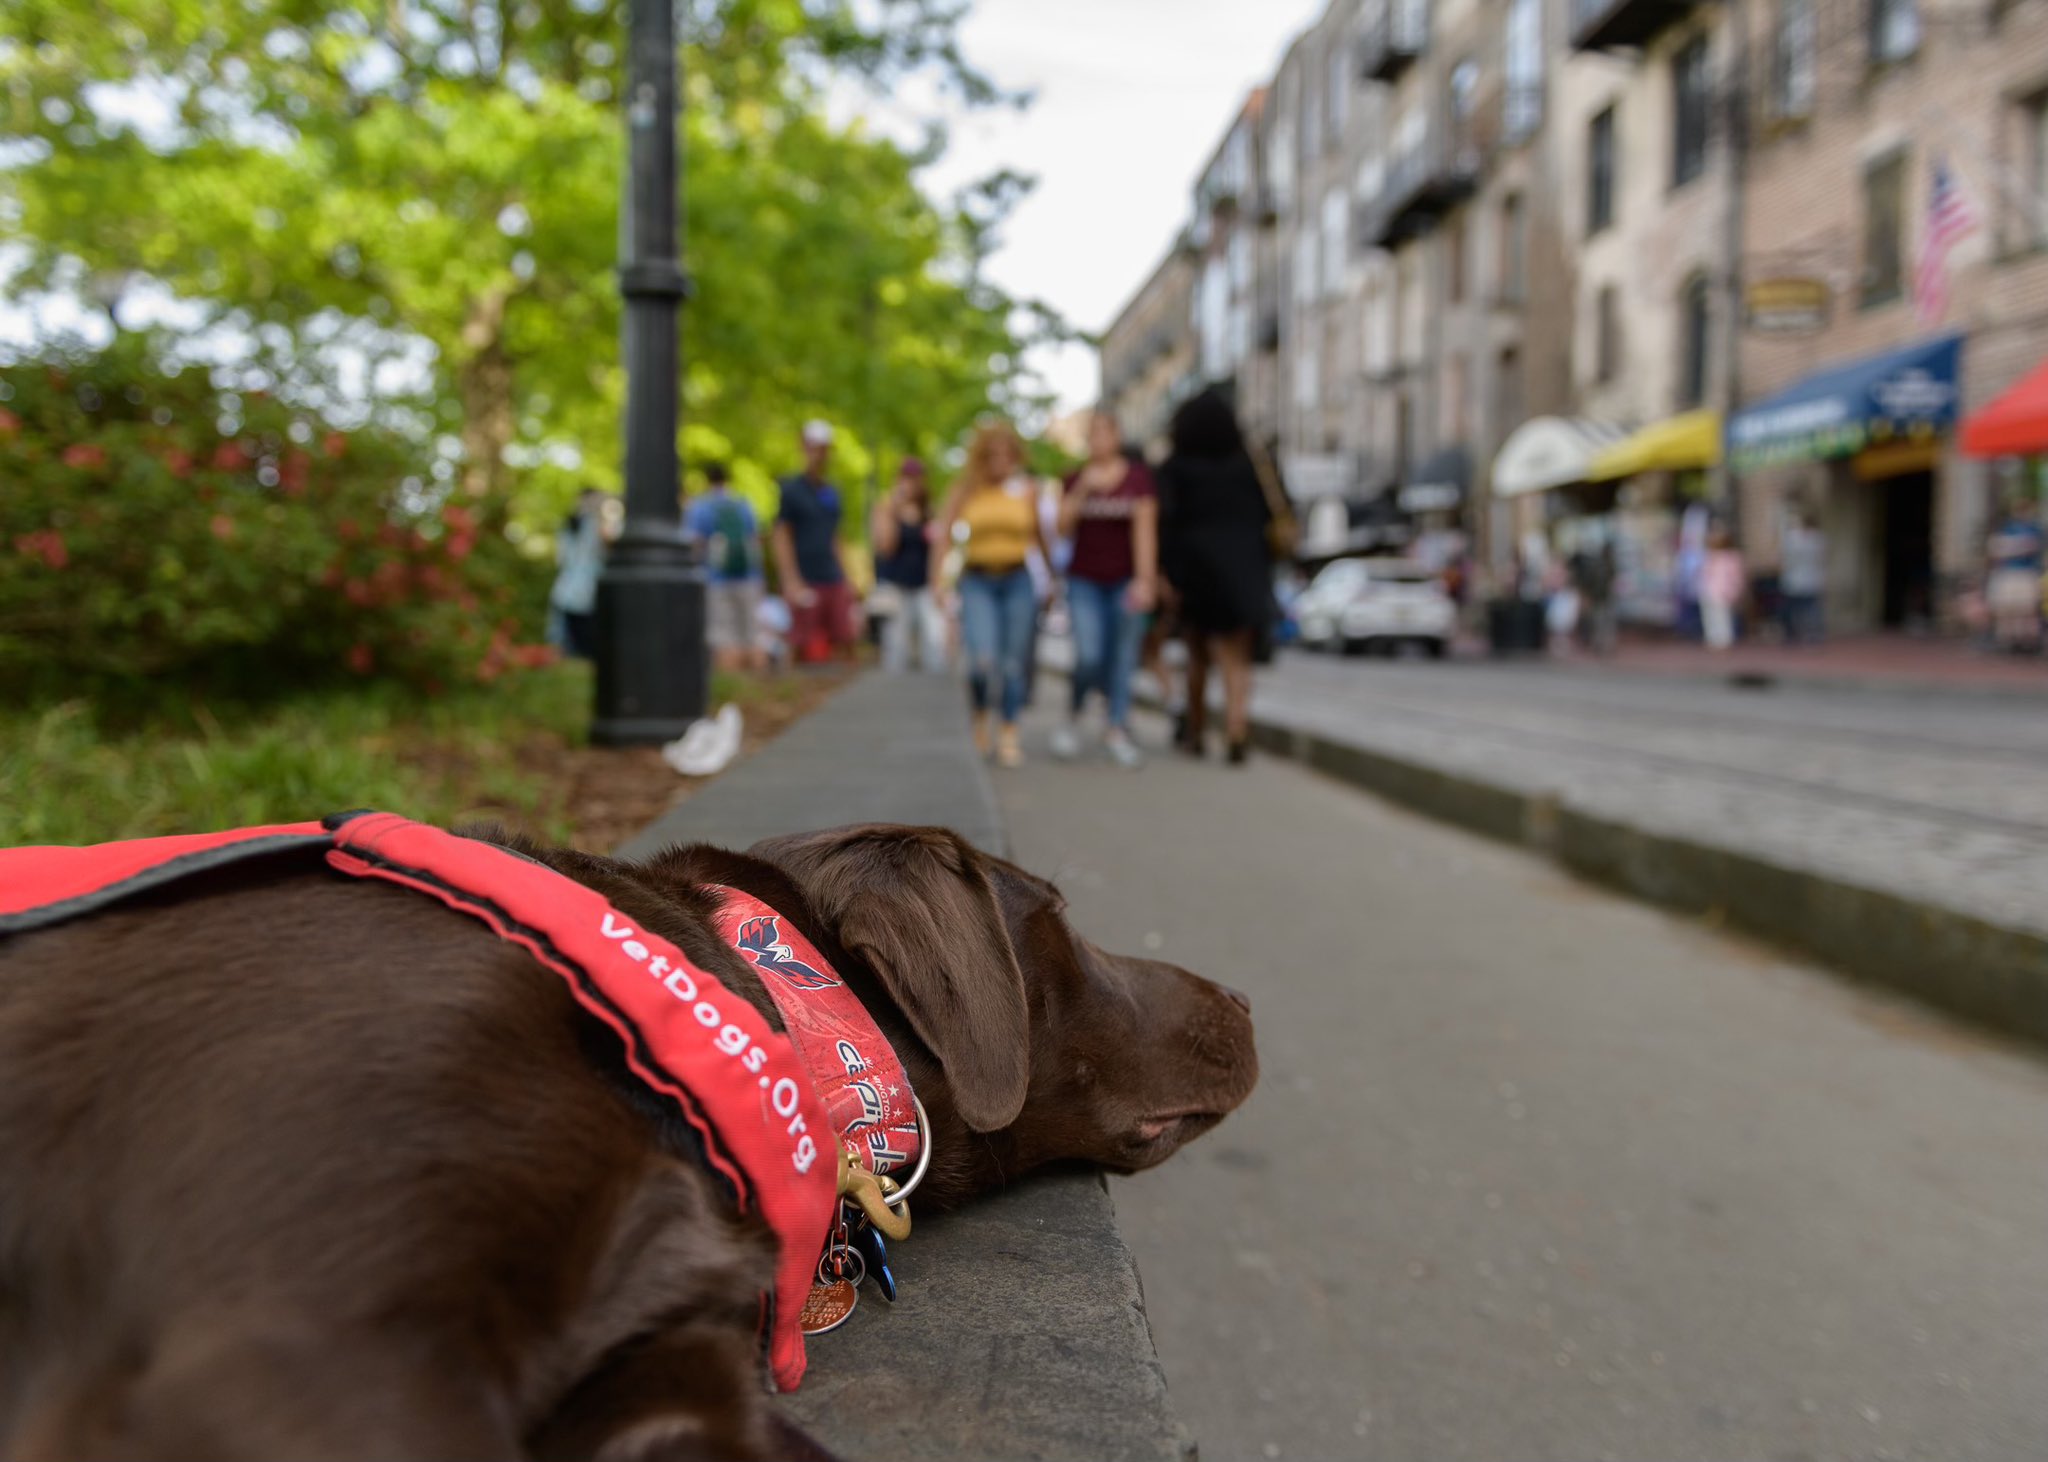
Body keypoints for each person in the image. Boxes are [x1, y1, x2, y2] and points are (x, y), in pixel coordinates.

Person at [1157, 390, 1272, 765]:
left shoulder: (1176, 467)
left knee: (1198, 653)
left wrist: (1167, 575)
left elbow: (1167, 523)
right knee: (1236, 654)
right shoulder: (1249, 463)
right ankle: (1237, 727)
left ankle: (1196, 729)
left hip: (1197, 568)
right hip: (1245, 566)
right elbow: (1268, 514)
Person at [932, 419, 1049, 768]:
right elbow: (943, 536)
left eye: (1006, 453)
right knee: (983, 661)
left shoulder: (1027, 489)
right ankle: (981, 711)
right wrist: (939, 580)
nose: (1000, 460)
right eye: (992, 453)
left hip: (1018, 581)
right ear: (981, 457)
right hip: (978, 580)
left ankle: (1009, 730)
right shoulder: (966, 490)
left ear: (1015, 455)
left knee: (1014, 664)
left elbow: (1040, 538)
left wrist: (1054, 581)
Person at [1048, 409, 1159, 768]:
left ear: (1117, 436)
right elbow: (1061, 529)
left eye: (1105, 433)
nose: (1099, 440)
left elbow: (1144, 531)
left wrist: (1145, 580)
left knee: (1123, 657)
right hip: (1083, 580)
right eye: (1092, 434)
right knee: (1089, 655)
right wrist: (1082, 489)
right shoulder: (1073, 479)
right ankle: (1074, 714)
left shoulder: (1138, 478)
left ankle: (1116, 728)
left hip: (1124, 580)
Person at [772, 420, 855, 664]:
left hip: (832, 577)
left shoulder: (832, 492)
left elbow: (836, 536)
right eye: (813, 447)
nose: (818, 454)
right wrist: (790, 579)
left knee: (844, 638)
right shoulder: (791, 490)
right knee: (800, 642)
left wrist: (847, 577)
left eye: (823, 448)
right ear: (803, 447)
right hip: (805, 577)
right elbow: (781, 535)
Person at [683, 463, 765, 671]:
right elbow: (755, 540)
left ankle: (734, 690)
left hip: (716, 579)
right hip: (749, 577)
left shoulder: (700, 506)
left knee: (724, 637)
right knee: (753, 635)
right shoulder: (743, 505)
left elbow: (694, 543)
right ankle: (761, 688)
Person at [870, 457, 943, 673]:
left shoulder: (929, 511)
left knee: (933, 641)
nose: (911, 483)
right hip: (895, 585)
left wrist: (938, 583)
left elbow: (937, 549)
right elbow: (885, 547)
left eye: (916, 478)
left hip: (924, 584)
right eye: (906, 478)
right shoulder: (886, 508)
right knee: (896, 645)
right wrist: (895, 510)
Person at [548, 488, 608, 659]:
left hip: (573, 585)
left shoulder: (575, 524)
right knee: (581, 627)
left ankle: (576, 653)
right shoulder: (590, 524)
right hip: (582, 585)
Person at [1985, 496, 2043, 653]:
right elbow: (1996, 549)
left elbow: (2031, 546)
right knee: (2007, 610)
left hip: (2025, 573)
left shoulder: (2034, 528)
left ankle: (2028, 643)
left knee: (2026, 610)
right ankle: (2009, 642)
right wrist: (2016, 546)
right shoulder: (2008, 527)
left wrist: (2010, 547)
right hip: (2009, 572)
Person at [1779, 511, 1827, 645]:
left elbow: (1787, 558)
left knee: (1805, 610)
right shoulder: (1817, 539)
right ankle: (1806, 635)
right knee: (1804, 609)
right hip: (1803, 579)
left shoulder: (1798, 539)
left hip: (1802, 579)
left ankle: (1805, 635)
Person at [1699, 526, 1746, 652]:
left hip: (1723, 591)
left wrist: (1737, 589)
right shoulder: (1711, 557)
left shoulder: (1732, 557)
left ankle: (1724, 640)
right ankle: (1714, 639)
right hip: (1710, 590)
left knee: (1723, 616)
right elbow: (1705, 573)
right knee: (1711, 616)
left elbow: (1736, 576)